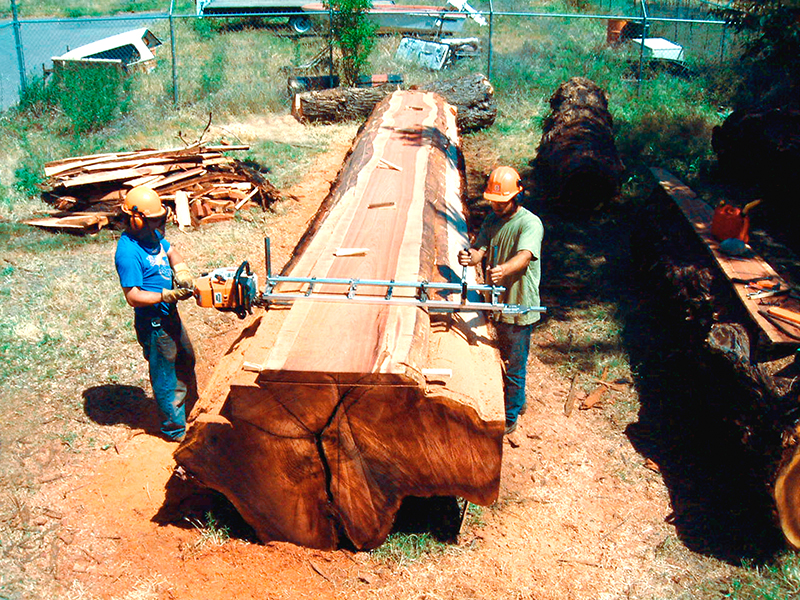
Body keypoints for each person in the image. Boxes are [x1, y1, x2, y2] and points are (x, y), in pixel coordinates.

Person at [458, 166, 544, 435]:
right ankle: (518, 402)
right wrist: (468, 257)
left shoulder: (530, 223)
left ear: (516, 196)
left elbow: (525, 256)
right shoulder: (491, 220)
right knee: (503, 356)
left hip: (519, 304)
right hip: (496, 303)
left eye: (501, 201)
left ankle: (510, 417)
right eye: (493, 201)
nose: (496, 205)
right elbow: (479, 251)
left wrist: (504, 269)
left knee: (516, 364)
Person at [114, 186, 197, 442]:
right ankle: (175, 430)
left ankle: (191, 412)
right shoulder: (128, 252)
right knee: (165, 374)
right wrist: (166, 295)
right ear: (137, 220)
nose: (159, 225)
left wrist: (181, 270)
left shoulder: (153, 236)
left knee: (186, 359)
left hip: (170, 316)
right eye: (154, 221)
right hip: (154, 323)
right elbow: (133, 296)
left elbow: (170, 251)